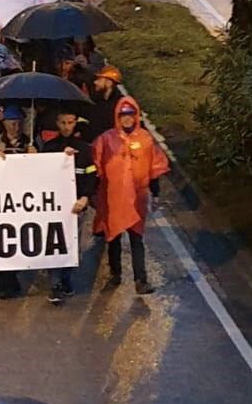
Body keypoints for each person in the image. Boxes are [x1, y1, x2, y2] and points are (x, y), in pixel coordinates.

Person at [92, 96, 169, 293]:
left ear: (136, 116)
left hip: (137, 197)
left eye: (130, 115)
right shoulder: (107, 139)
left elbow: (153, 168)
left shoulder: (145, 139)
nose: (127, 119)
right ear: (117, 116)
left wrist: (156, 194)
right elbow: (96, 165)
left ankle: (140, 279)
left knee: (136, 238)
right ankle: (115, 274)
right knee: (114, 238)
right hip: (114, 198)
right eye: (123, 115)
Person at [37, 107, 97, 304]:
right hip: (55, 206)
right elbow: (41, 176)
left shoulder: (85, 148)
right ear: (57, 123)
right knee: (56, 245)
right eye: (63, 122)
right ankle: (55, 284)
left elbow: (91, 176)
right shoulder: (49, 147)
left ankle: (67, 280)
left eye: (70, 122)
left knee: (73, 246)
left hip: (77, 206)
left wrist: (85, 198)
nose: (66, 126)